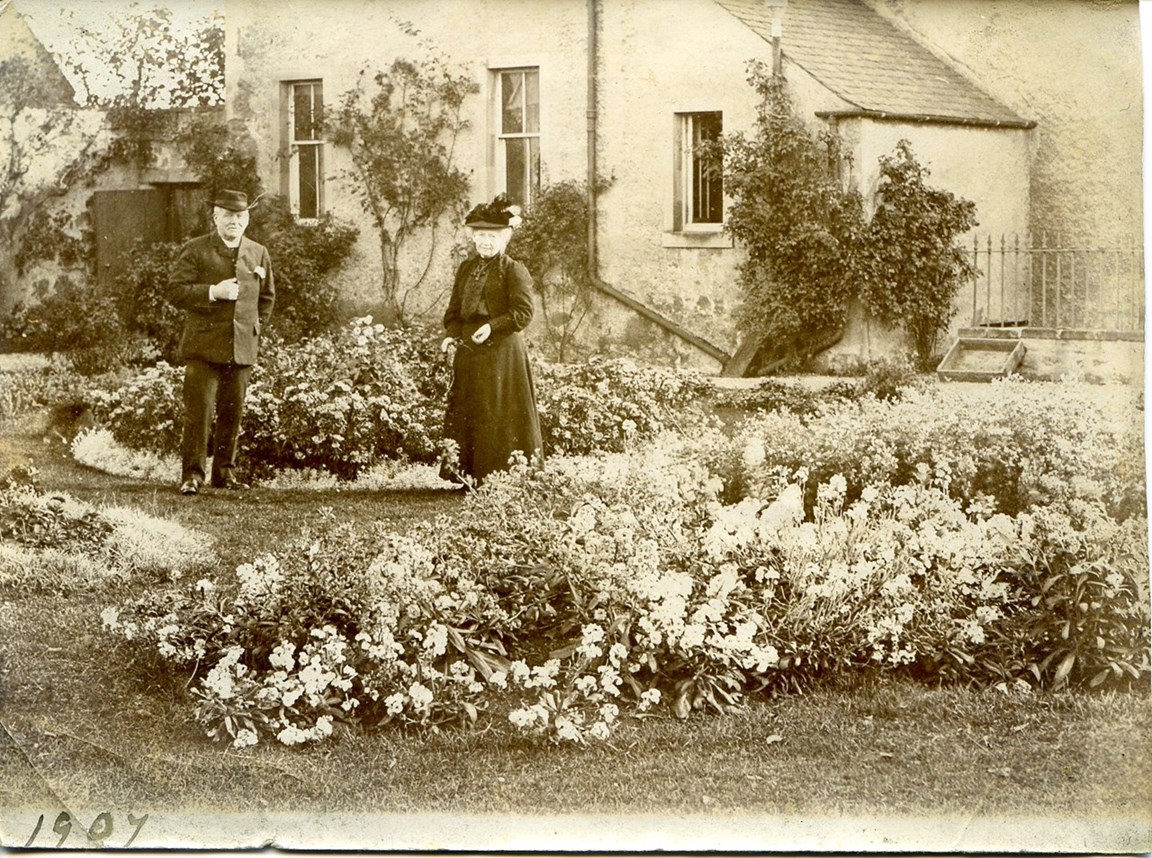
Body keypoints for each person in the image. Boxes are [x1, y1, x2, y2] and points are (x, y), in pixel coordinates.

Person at [169, 189, 274, 495]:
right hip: (202, 348)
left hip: (241, 347)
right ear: (215, 217)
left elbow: (266, 297)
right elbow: (175, 291)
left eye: (240, 216)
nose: (234, 221)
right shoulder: (196, 249)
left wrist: (253, 328)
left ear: (247, 219)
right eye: (227, 215)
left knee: (233, 412)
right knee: (199, 413)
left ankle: (224, 473)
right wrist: (213, 292)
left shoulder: (258, 252)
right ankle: (192, 476)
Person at [440, 194, 543, 485]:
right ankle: (470, 475)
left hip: (502, 353)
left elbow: (523, 313)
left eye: (492, 236)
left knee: (496, 410)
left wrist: (493, 327)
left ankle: (501, 477)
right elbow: (454, 312)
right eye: (481, 235)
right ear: (473, 238)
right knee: (471, 408)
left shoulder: (513, 270)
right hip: (469, 350)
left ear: (505, 239)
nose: (486, 242)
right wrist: (450, 336)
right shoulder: (466, 269)